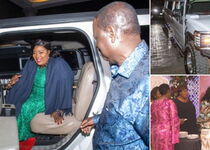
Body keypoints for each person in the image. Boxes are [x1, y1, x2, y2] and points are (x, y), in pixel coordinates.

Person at [80, 2, 149, 149]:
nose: (97, 44)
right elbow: (126, 111)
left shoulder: (146, 83)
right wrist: (99, 120)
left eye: (97, 37)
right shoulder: (125, 71)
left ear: (111, 33)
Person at [5, 39, 74, 141]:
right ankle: (10, 134)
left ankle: (21, 139)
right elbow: (24, 81)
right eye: (34, 53)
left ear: (49, 52)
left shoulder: (58, 64)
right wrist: (12, 83)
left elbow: (65, 86)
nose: (37, 56)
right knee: (15, 103)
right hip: (31, 93)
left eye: (41, 52)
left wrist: (58, 109)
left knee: (26, 107)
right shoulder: (32, 63)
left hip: (47, 97)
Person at [151, 84, 180, 150]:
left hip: (155, 132)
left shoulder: (153, 104)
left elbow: (152, 120)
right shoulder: (169, 102)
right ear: (168, 91)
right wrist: (175, 137)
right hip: (166, 133)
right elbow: (174, 119)